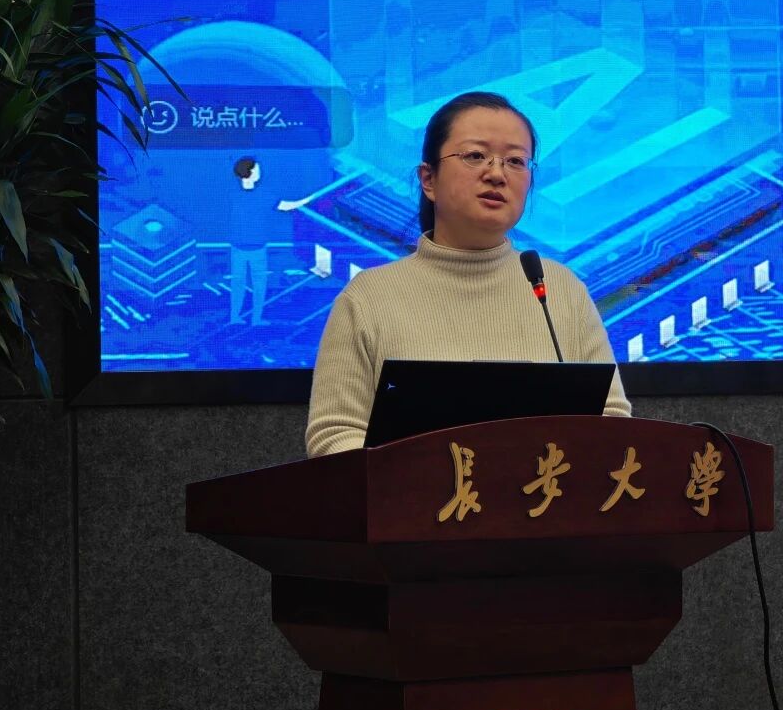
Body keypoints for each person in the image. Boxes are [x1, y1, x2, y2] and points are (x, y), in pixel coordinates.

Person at [305, 91, 630, 457]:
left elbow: (612, 421)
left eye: (515, 161)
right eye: (475, 156)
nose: (496, 174)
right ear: (428, 179)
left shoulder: (560, 290)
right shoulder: (369, 298)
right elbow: (334, 435)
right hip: (413, 494)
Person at [228, 156, 273, 325]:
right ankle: (255, 318)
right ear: (251, 172)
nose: (260, 172)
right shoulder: (263, 195)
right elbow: (284, 206)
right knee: (257, 284)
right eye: (257, 169)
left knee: (238, 283)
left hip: (240, 247)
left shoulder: (233, 194)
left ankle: (237, 317)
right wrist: (307, 200)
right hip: (254, 248)